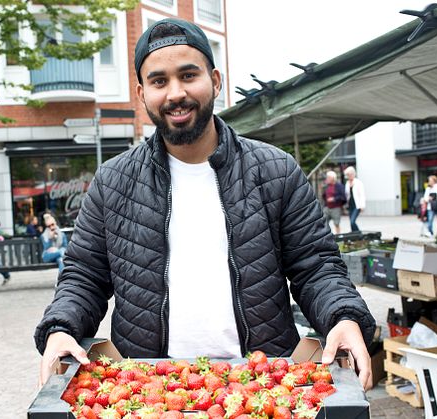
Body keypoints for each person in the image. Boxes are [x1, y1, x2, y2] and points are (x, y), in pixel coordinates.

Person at [35, 18, 375, 391]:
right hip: (150, 394)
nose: (175, 93)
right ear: (142, 93)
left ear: (215, 81)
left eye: (188, 75)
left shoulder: (275, 171)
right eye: (159, 81)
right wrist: (61, 328)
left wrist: (342, 318)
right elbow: (85, 277)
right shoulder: (112, 181)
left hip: (262, 389)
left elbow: (316, 267)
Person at [322, 170, 346, 234]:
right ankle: (327, 236)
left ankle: (338, 236)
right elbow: (324, 196)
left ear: (333, 178)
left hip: (336, 207)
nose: (327, 179)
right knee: (324, 222)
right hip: (327, 207)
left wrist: (334, 199)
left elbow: (343, 197)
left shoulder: (339, 186)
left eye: (328, 177)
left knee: (336, 223)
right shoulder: (326, 186)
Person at [344, 166, 366, 232]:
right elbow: (347, 194)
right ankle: (354, 235)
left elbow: (362, 195)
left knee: (352, 222)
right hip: (350, 205)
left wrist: (362, 206)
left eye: (350, 174)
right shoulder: (347, 183)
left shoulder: (358, 183)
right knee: (351, 222)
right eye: (348, 175)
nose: (349, 176)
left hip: (357, 205)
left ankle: (359, 234)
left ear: (354, 174)